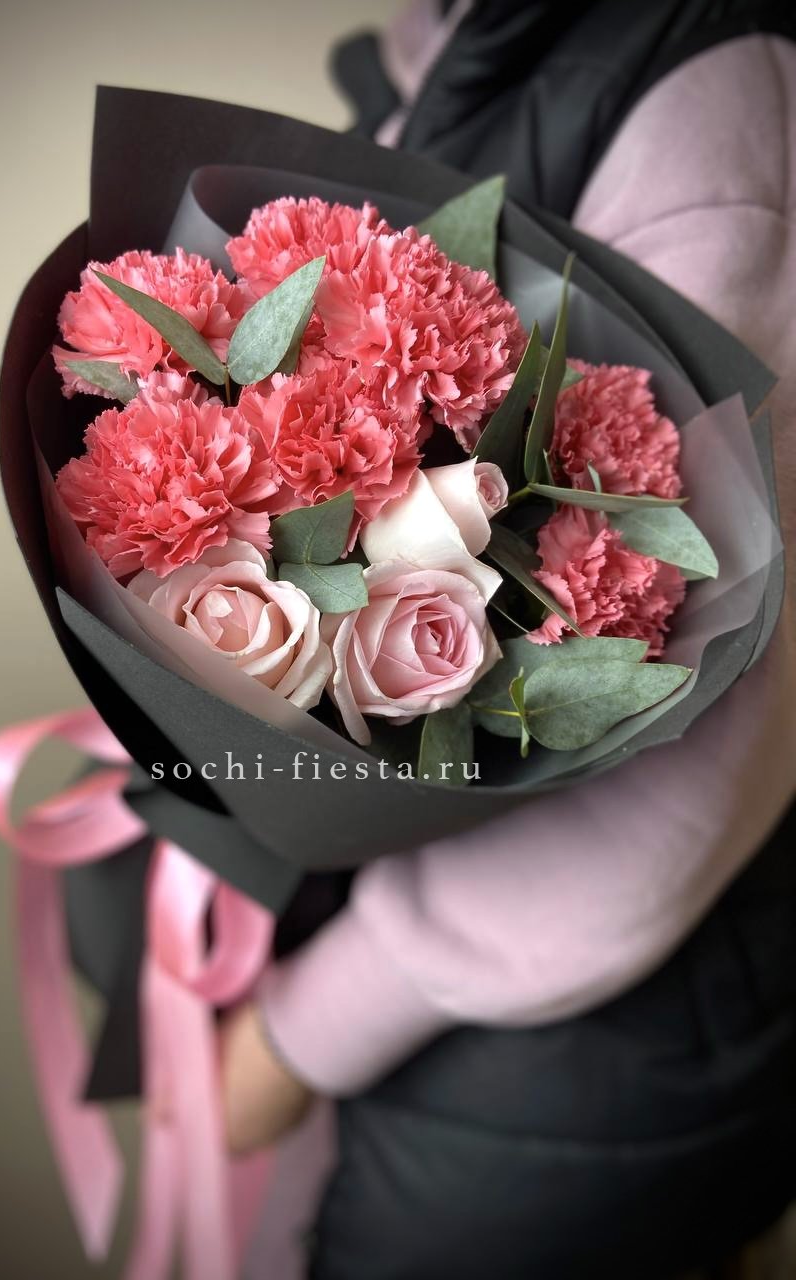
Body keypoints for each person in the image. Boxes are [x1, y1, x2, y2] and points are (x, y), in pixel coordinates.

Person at [220, 20, 796, 1280]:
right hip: (467, 1001)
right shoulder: (463, 46)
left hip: (579, 1059)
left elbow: (683, 762)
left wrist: (299, 1035)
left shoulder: (710, 114)